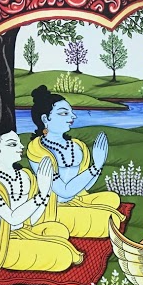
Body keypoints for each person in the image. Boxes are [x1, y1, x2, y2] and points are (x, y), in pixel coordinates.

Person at [0, 119, 84, 277]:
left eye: (19, 143)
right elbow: (12, 218)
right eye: (12, 144)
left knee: (59, 231)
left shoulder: (24, 175)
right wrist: (41, 195)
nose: (21, 147)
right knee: (62, 257)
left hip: (24, 230)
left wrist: (46, 191)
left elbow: (32, 220)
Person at [25, 85, 124, 238]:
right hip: (53, 207)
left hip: (77, 199)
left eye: (71, 112)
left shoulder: (77, 146)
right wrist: (95, 167)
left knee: (112, 198)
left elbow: (85, 187)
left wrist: (98, 166)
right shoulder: (38, 149)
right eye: (64, 113)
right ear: (45, 119)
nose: (72, 117)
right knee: (109, 221)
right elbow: (64, 191)